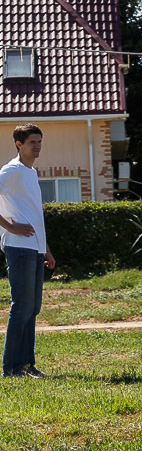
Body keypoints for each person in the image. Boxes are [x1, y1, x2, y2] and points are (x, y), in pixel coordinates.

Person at [0, 124, 56, 378]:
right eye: (33, 141)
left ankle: (26, 364)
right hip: (18, 248)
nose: (38, 146)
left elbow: (33, 215)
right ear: (19, 144)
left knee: (32, 308)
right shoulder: (11, 171)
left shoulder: (30, 172)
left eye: (40, 141)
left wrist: (45, 249)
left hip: (33, 249)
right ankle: (11, 368)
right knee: (21, 307)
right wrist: (9, 225)